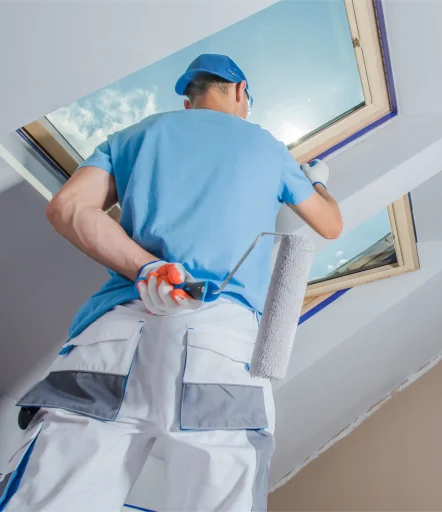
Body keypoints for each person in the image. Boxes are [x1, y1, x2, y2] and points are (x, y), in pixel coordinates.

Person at [0, 54, 342, 511]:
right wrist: (317, 183)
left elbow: (67, 209)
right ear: (239, 90)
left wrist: (146, 267)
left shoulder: (134, 136)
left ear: (189, 98)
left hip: (114, 338)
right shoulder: (267, 148)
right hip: (219, 345)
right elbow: (331, 225)